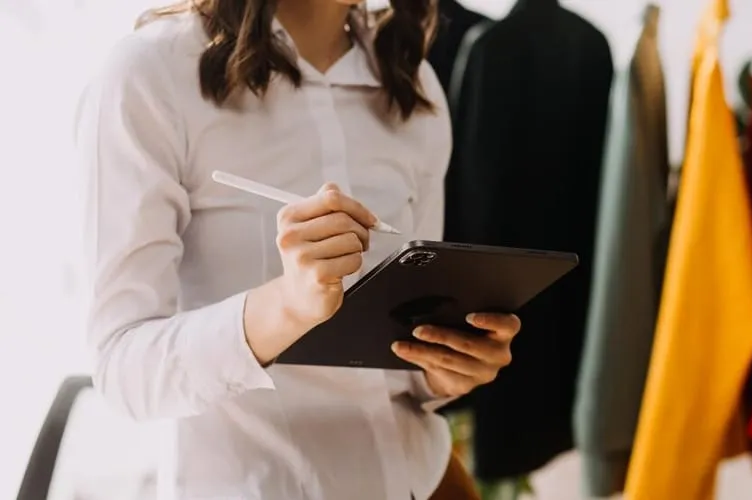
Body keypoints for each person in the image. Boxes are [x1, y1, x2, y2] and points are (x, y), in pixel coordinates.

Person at [75, 0, 521, 498]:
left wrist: (447, 369)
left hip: (428, 482)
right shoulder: (150, 74)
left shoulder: (415, 82)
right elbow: (122, 367)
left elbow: (408, 357)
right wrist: (284, 307)